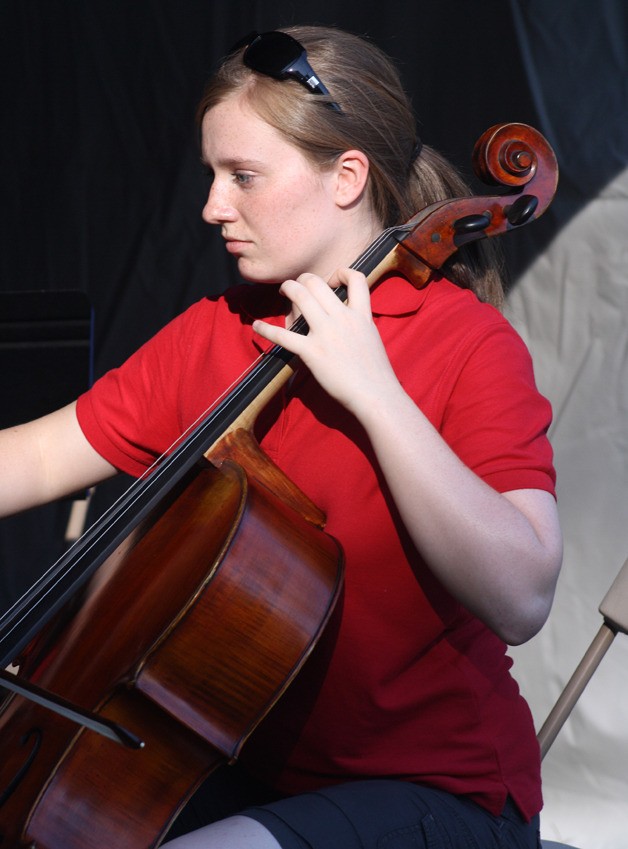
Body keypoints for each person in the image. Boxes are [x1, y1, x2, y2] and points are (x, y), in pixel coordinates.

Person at [0, 25, 562, 849]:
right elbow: (42, 454)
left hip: (438, 794)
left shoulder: (465, 344)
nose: (211, 207)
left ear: (346, 177)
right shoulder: (222, 332)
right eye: (212, 175)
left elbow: (523, 595)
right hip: (245, 771)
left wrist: (375, 394)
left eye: (243, 177)